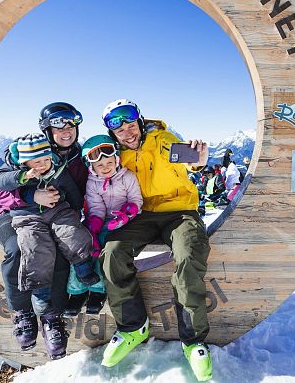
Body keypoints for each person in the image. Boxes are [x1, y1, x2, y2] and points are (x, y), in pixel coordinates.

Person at [98, 99, 212, 381]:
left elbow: (185, 157)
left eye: (131, 124)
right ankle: (133, 327)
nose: (128, 132)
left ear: (140, 122)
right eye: (120, 129)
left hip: (179, 211)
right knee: (112, 252)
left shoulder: (162, 139)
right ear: (113, 134)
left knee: (188, 254)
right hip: (142, 215)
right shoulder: (117, 154)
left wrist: (197, 160)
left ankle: (193, 340)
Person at [0, 102, 90, 355]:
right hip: (16, 214)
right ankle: (23, 314)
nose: (67, 130)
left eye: (71, 124)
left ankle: (51, 316)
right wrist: (32, 196)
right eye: (59, 125)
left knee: (59, 247)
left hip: (58, 214)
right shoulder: (23, 151)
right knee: (16, 250)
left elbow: (82, 191)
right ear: (46, 129)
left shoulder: (79, 157)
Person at [66, 135, 143, 316]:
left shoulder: (127, 177)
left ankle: (98, 290)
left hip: (126, 219)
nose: (105, 167)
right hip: (101, 219)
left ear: (116, 160)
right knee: (82, 243)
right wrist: (93, 228)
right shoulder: (92, 183)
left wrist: (126, 214)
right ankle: (77, 290)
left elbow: (136, 200)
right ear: (91, 167)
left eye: (109, 162)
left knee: (104, 245)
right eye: (99, 165)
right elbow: (96, 207)